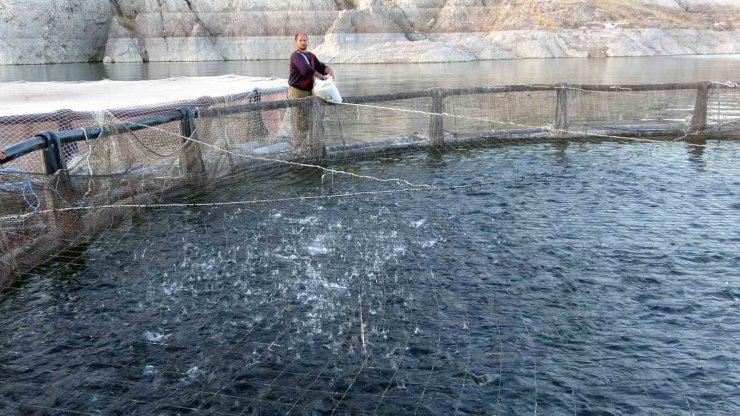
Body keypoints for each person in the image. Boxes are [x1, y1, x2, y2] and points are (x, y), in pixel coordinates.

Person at [288, 33, 334, 156]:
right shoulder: (295, 56)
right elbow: (305, 70)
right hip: (297, 92)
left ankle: (312, 149)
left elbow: (320, 66)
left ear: (308, 41)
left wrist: (329, 70)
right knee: (300, 123)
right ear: (296, 42)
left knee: (313, 121)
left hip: (309, 92)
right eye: (300, 40)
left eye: (305, 40)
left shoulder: (311, 56)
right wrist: (321, 77)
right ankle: (297, 152)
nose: (303, 42)